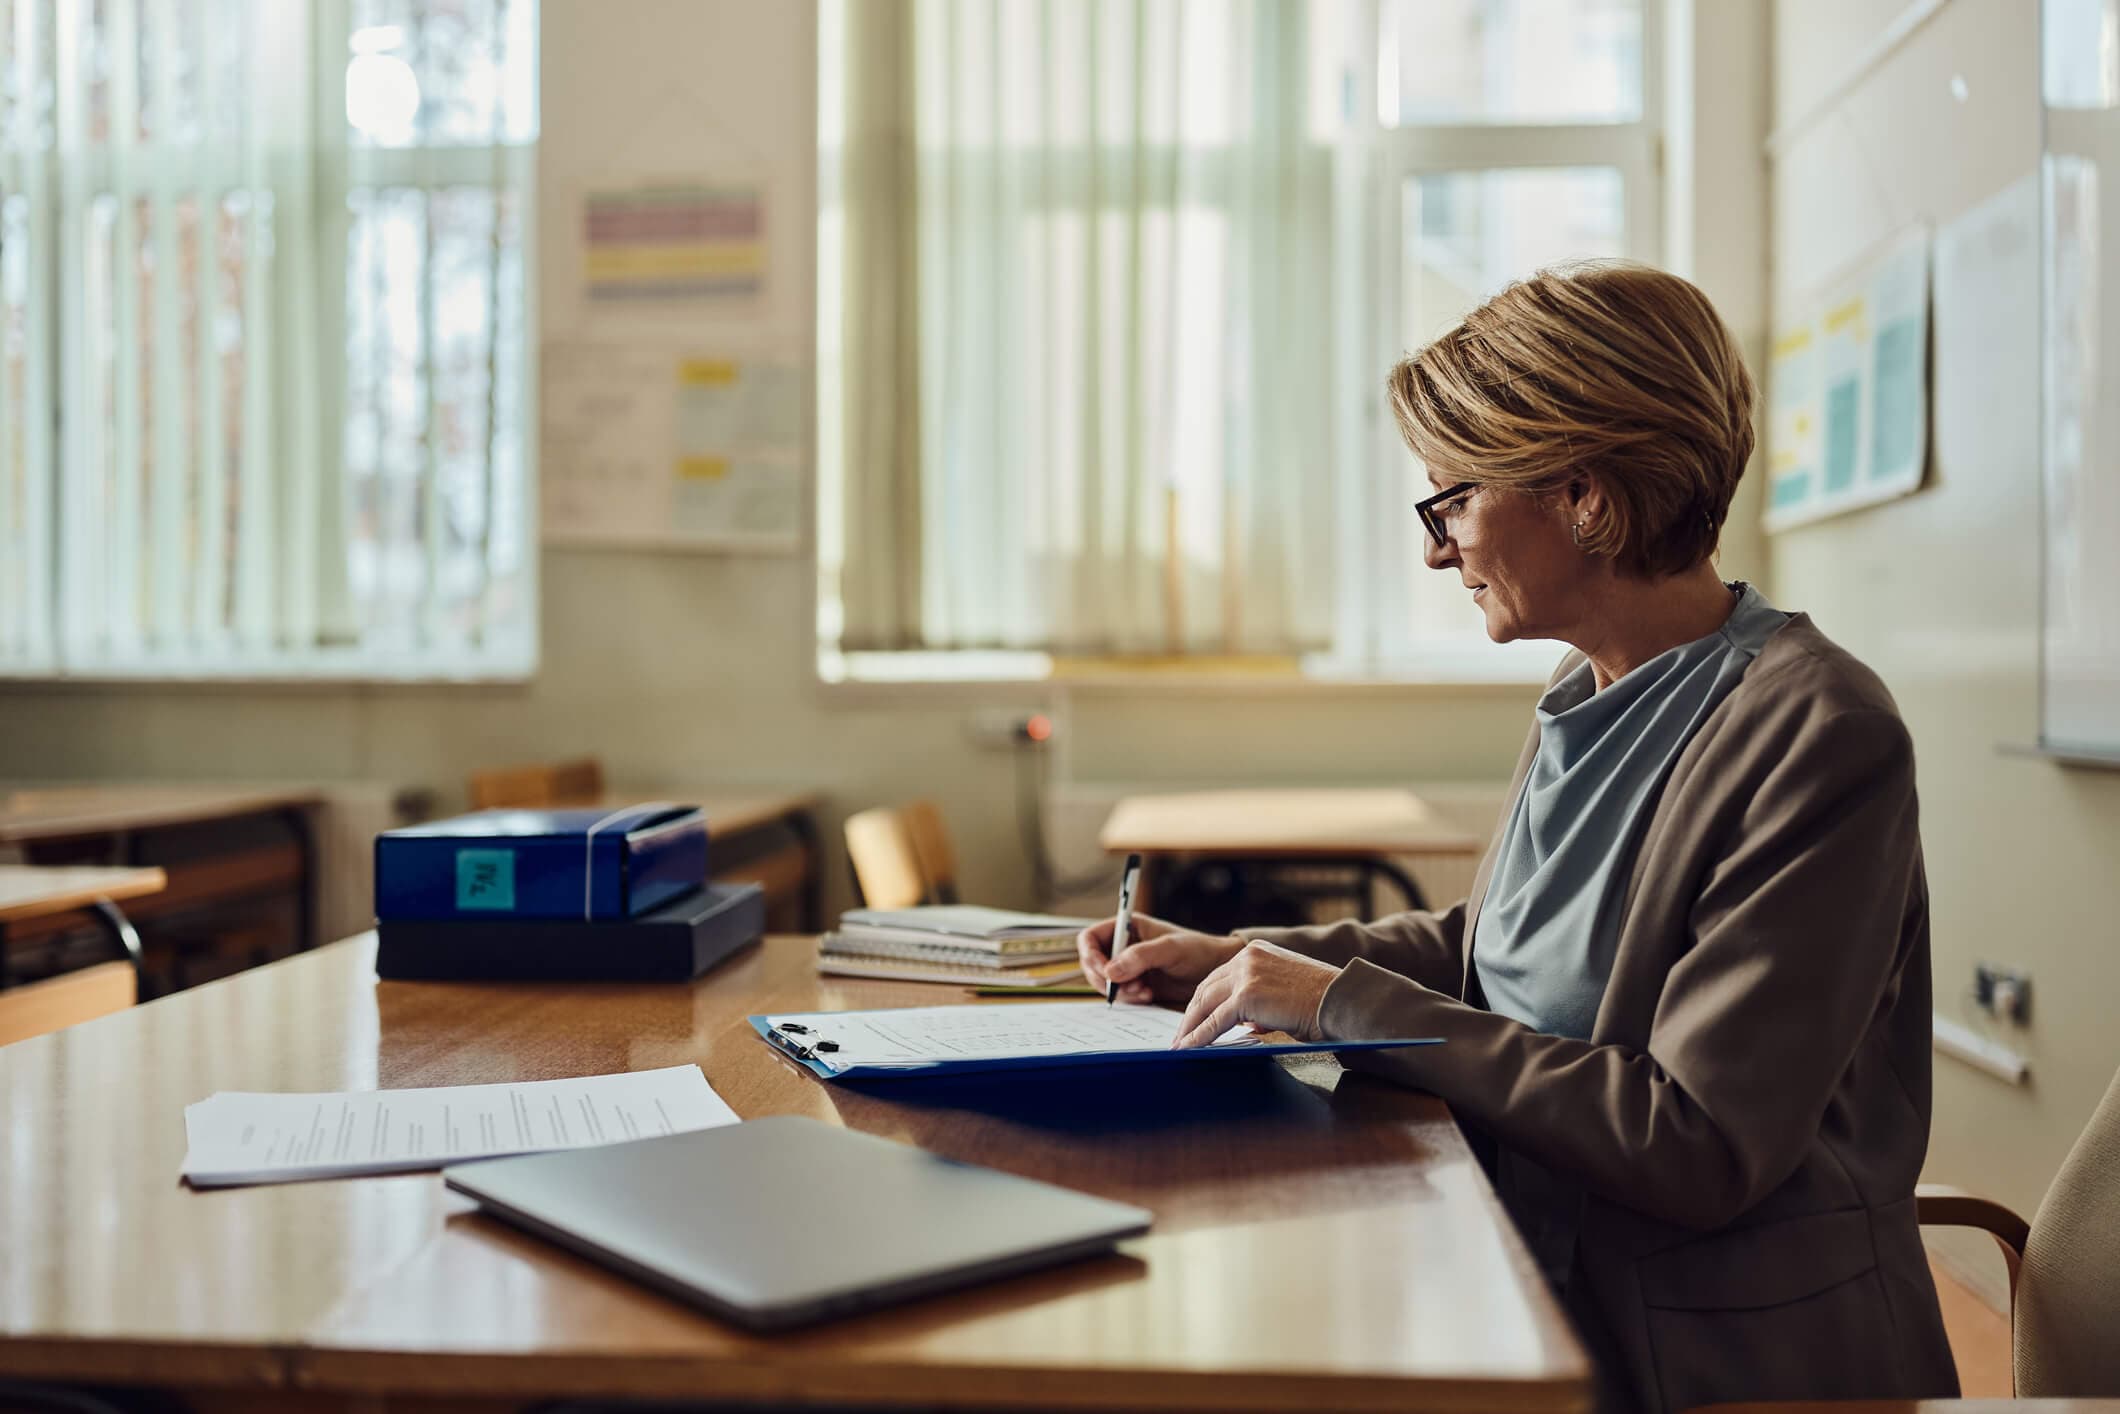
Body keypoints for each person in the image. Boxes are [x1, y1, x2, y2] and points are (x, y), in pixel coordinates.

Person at [1078, 263, 1959, 1414]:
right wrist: (1237, 955)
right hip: (1525, 1276)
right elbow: (1494, 950)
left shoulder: (1818, 731)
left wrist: (1339, 1005)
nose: (1437, 550)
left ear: (1584, 498)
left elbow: (1690, 1140)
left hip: (1713, 1360)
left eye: (1451, 502)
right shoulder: (1589, 684)